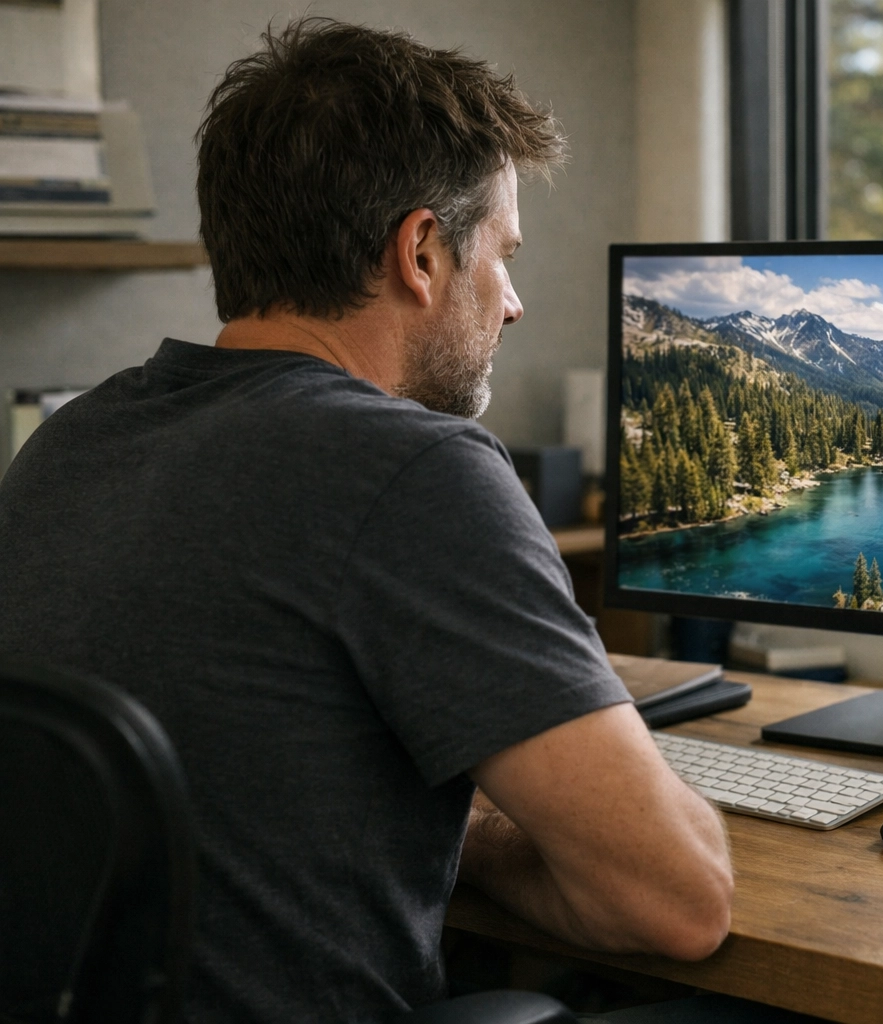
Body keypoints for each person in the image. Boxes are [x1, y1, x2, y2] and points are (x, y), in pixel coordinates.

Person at [0, 19, 736, 1023]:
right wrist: (470, 825)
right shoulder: (413, 469)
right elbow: (680, 901)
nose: (512, 301)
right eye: (502, 255)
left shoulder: (69, 439)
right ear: (422, 252)